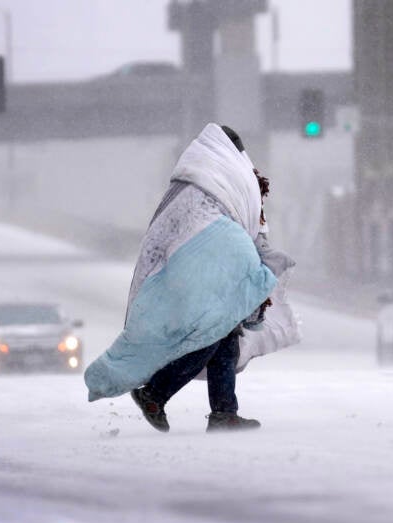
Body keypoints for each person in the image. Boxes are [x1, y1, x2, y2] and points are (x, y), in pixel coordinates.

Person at [84, 123, 299, 433]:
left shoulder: (192, 182)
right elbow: (241, 227)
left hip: (188, 269)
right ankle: (155, 393)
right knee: (211, 334)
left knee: (224, 335)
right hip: (203, 270)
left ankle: (224, 411)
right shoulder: (226, 180)